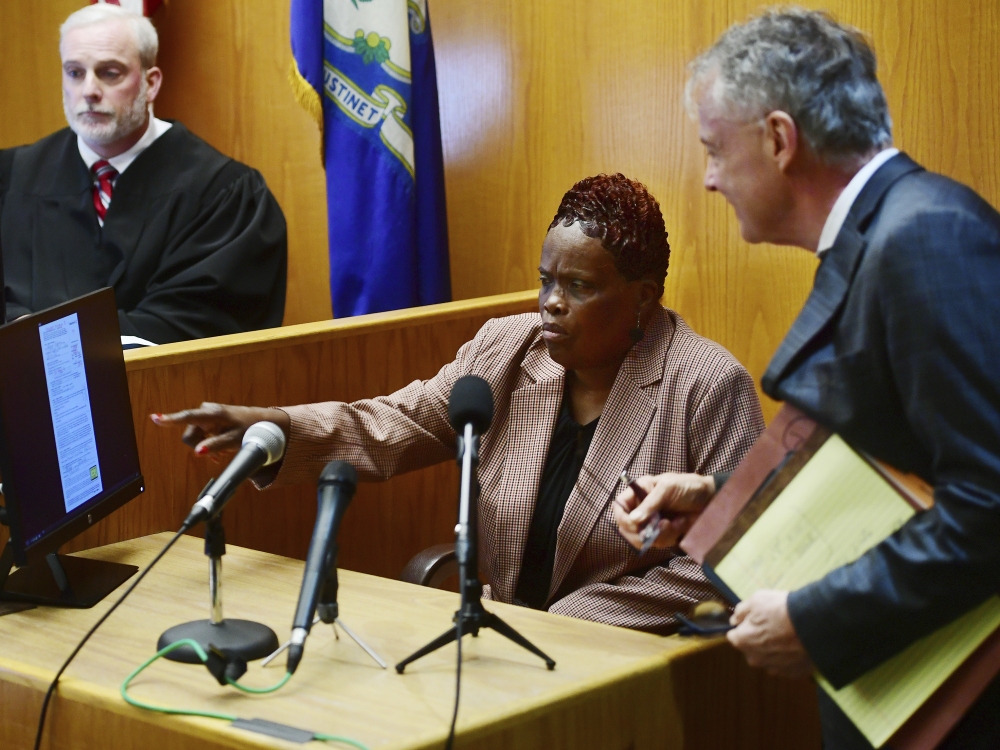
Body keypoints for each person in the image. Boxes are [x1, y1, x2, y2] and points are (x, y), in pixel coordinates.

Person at [614, 8, 1000, 748]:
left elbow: (990, 502)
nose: (708, 181)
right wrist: (721, 500)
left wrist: (815, 618)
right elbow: (891, 457)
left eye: (714, 150)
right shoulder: (887, 231)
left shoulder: (927, 237)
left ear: (780, 140)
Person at [155, 173, 764, 632]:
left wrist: (571, 623)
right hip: (499, 648)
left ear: (643, 299)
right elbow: (392, 424)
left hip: (626, 663)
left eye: (579, 287)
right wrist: (272, 429)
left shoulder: (706, 384)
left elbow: (729, 559)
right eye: (546, 280)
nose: (551, 303)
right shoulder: (508, 348)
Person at [0, 4, 286, 344]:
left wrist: (44, 341)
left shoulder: (224, 193)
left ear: (150, 84)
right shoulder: (11, 178)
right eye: (75, 72)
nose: (89, 91)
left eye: (110, 73)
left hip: (166, 393)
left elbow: (198, 321)